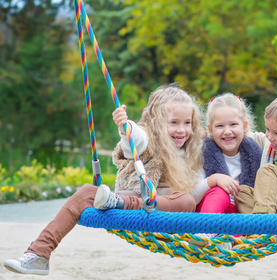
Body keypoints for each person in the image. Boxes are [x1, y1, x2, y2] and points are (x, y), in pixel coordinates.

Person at [3, 84, 207, 276]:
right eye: (173, 122)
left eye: (187, 123)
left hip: (168, 216)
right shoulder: (149, 140)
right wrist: (126, 127)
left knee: (187, 200)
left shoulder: (193, 150)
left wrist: (213, 181)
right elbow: (136, 140)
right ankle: (38, 253)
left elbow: (196, 194)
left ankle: (122, 203)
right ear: (156, 123)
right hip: (138, 207)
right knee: (86, 191)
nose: (181, 130)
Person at [196, 93, 262, 215]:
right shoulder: (202, 153)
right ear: (210, 130)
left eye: (233, 124)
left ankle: (251, 229)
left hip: (243, 210)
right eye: (220, 126)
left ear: (244, 126)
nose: (227, 131)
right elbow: (192, 196)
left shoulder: (254, 151)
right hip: (212, 209)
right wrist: (213, 180)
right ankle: (206, 230)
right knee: (219, 193)